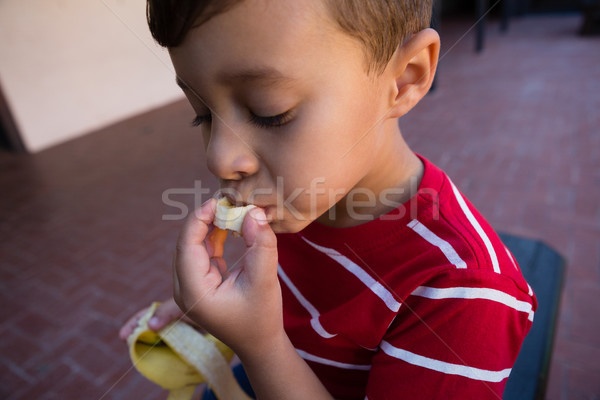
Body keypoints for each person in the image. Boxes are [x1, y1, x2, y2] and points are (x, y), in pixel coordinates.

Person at [119, 1, 537, 398]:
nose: (219, 158)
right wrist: (215, 316)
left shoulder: (463, 292)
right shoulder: (296, 203)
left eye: (270, 112)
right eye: (203, 114)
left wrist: (261, 347)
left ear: (405, 76)